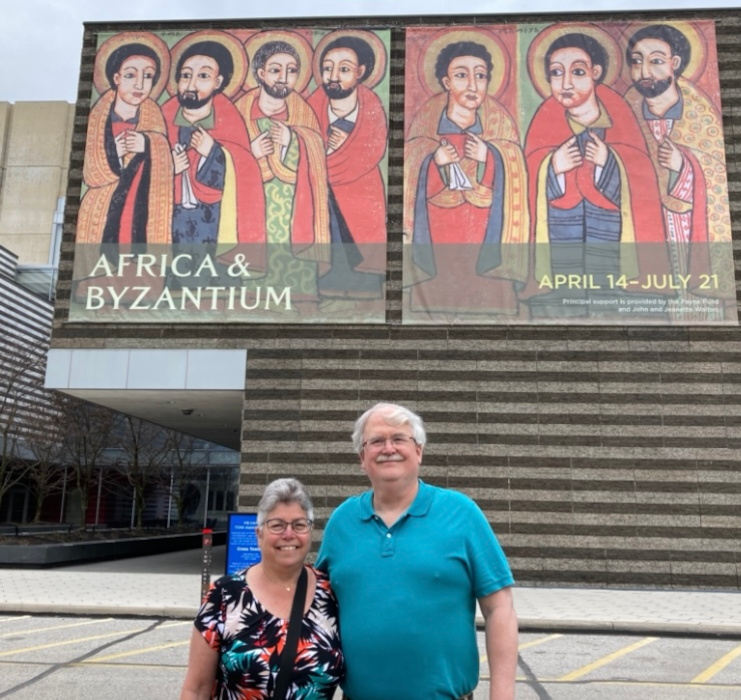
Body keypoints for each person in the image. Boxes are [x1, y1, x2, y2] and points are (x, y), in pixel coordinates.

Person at [316, 403, 517, 700]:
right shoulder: (341, 522)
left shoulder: (462, 514)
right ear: (362, 457)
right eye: (376, 441)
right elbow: (316, 606)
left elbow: (500, 609)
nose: (388, 448)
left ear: (419, 451)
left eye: (399, 438)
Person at [522, 31, 669, 317]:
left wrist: (609, 162)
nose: (565, 83)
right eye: (555, 72)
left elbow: (641, 176)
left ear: (595, 73)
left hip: (611, 238)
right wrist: (552, 168)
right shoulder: (544, 120)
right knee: (564, 305)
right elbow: (526, 178)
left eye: (577, 71)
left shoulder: (619, 115)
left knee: (613, 304)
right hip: (561, 237)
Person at [180, 478, 344, 699]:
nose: (289, 534)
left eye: (299, 524)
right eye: (277, 525)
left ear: (310, 531)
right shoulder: (225, 595)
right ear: (259, 534)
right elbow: (196, 689)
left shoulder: (331, 593)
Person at [404, 39, 530, 320]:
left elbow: (515, 169)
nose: (473, 85)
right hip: (438, 233)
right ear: (446, 82)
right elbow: (412, 166)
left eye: (481, 76)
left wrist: (491, 155)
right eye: (462, 75)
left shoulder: (500, 124)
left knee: (490, 305)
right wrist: (434, 160)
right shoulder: (426, 123)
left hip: (485, 233)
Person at [624, 23, 732, 321]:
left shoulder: (701, 113)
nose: (644, 72)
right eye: (636, 61)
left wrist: (684, 166)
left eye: (656, 61)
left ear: (675, 64)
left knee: (699, 320)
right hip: (645, 234)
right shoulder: (624, 111)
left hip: (690, 233)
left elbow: (716, 174)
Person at [235, 38, 330, 308]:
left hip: (295, 209)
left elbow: (317, 164)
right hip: (254, 207)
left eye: (291, 70)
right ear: (261, 73)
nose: (283, 77)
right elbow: (227, 158)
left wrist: (293, 139)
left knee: (298, 289)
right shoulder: (239, 113)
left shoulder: (302, 113)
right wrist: (248, 152)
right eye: (276, 69)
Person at [161, 38, 265, 254]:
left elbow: (245, 174)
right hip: (168, 222)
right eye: (186, 75)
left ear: (217, 83)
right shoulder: (161, 119)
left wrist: (213, 152)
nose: (191, 85)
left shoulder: (230, 120)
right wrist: (167, 168)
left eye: (203, 76)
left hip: (216, 221)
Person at [307, 33, 387, 305]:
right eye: (327, 68)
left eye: (343, 69)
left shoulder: (372, 106)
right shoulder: (310, 106)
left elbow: (373, 149)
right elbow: (301, 146)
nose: (333, 76)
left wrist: (345, 146)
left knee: (359, 250)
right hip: (319, 189)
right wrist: (323, 149)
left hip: (361, 189)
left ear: (361, 72)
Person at [77, 40, 173, 248]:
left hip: (140, 213)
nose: (140, 84)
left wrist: (148, 144)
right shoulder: (97, 116)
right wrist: (114, 154)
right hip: (99, 211)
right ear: (116, 78)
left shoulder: (154, 115)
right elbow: (90, 173)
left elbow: (163, 167)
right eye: (130, 75)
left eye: (148, 76)